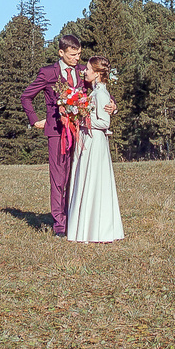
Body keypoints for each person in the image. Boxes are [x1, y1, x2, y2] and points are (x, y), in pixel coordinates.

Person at [19, 30, 85, 236]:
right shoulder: (48, 73)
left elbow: (99, 89)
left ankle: (75, 218)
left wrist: (111, 104)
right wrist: (35, 120)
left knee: (76, 175)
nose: (77, 58)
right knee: (58, 178)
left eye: (79, 54)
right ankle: (59, 225)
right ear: (61, 53)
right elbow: (26, 96)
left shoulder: (83, 71)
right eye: (73, 54)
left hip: (80, 131)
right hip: (57, 132)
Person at [64, 55, 123, 244]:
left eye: (88, 69)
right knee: (87, 179)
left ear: (97, 73)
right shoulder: (95, 92)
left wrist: (81, 119)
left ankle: (96, 228)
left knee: (94, 180)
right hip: (89, 139)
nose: (85, 71)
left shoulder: (101, 94)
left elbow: (104, 122)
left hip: (95, 141)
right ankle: (87, 227)